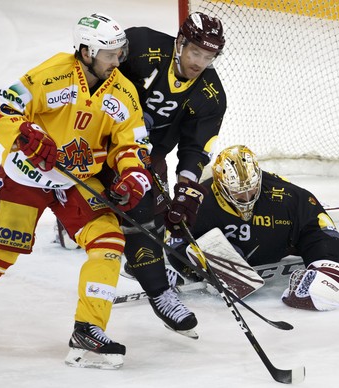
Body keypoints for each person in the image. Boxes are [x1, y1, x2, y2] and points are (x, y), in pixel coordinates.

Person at [0, 13, 152, 370]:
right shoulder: (52, 74)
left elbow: (132, 144)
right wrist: (25, 135)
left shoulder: (122, 90)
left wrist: (132, 175)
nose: (119, 61)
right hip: (26, 179)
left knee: (109, 244)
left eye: (120, 52)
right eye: (110, 54)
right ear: (86, 52)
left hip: (74, 183)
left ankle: (88, 334)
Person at [56, 12, 227, 337]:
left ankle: (160, 293)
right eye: (195, 53)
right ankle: (72, 222)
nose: (199, 63)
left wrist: (186, 191)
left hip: (146, 155)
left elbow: (196, 148)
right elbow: (91, 77)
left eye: (208, 57)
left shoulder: (211, 95)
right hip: (95, 137)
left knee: (148, 215)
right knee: (74, 188)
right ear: (180, 43)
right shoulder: (143, 47)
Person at [167, 145, 339, 311]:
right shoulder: (200, 201)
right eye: (238, 192)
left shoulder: (284, 195)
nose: (246, 198)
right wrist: (194, 269)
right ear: (220, 186)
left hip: (280, 244)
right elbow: (174, 239)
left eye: (252, 189)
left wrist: (325, 262)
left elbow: (317, 224)